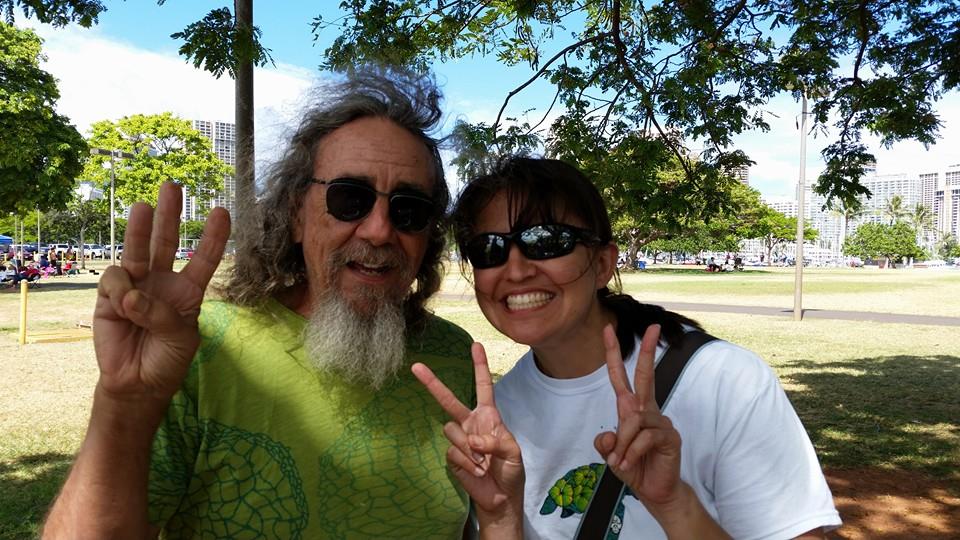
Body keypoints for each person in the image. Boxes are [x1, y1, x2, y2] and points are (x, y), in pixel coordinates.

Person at [42, 69, 478, 539]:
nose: (378, 230)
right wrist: (124, 403)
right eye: (349, 199)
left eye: (409, 209)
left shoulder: (455, 361)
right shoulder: (197, 350)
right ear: (294, 215)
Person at [414, 157, 841, 539]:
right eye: (489, 250)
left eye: (547, 241)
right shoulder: (498, 416)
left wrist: (675, 505)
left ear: (602, 264)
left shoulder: (723, 383)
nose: (516, 270)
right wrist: (501, 516)